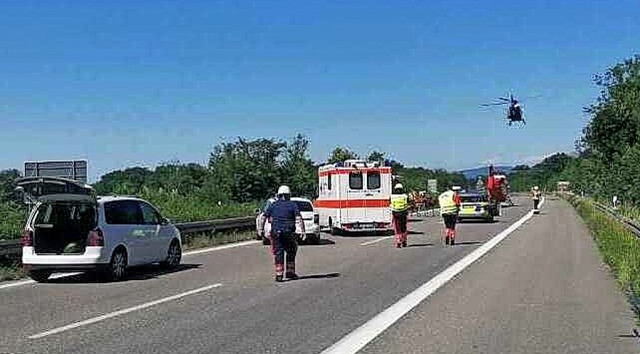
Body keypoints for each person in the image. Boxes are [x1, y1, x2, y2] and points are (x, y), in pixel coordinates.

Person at [261, 185, 305, 282]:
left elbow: (263, 217)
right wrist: (302, 231)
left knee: (278, 253)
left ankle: (279, 275)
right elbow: (299, 218)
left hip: (276, 233)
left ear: (279, 195)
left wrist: (261, 230)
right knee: (291, 250)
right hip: (288, 232)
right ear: (288, 195)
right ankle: (290, 272)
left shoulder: (273, 205)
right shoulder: (292, 205)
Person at [390, 183, 410, 248]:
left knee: (397, 228)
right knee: (403, 227)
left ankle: (398, 241)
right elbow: (408, 203)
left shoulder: (392, 196)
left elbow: (390, 203)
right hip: (403, 213)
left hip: (395, 213)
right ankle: (404, 241)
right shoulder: (405, 196)